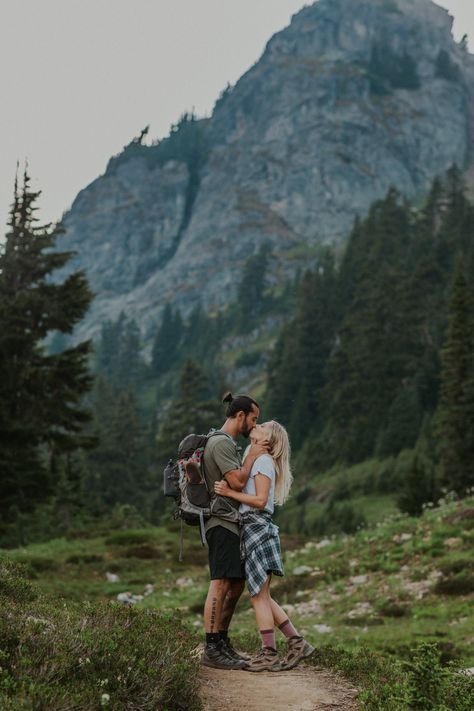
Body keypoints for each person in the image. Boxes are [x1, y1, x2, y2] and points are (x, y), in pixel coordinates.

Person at [214, 420, 315, 672]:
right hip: (255, 527)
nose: (256, 426)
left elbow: (259, 500)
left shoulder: (263, 462)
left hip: (256, 526)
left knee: (258, 595)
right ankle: (296, 642)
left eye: (262, 426)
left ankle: (269, 653)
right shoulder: (259, 460)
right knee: (262, 594)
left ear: (267, 440)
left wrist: (229, 493)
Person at [201, 392, 269, 670]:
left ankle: (221, 642)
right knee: (220, 583)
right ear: (240, 415)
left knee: (235, 583)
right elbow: (238, 482)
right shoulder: (220, 444)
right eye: (253, 419)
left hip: (231, 521)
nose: (254, 425)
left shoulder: (226, 443)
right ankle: (211, 646)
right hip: (221, 521)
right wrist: (252, 455)